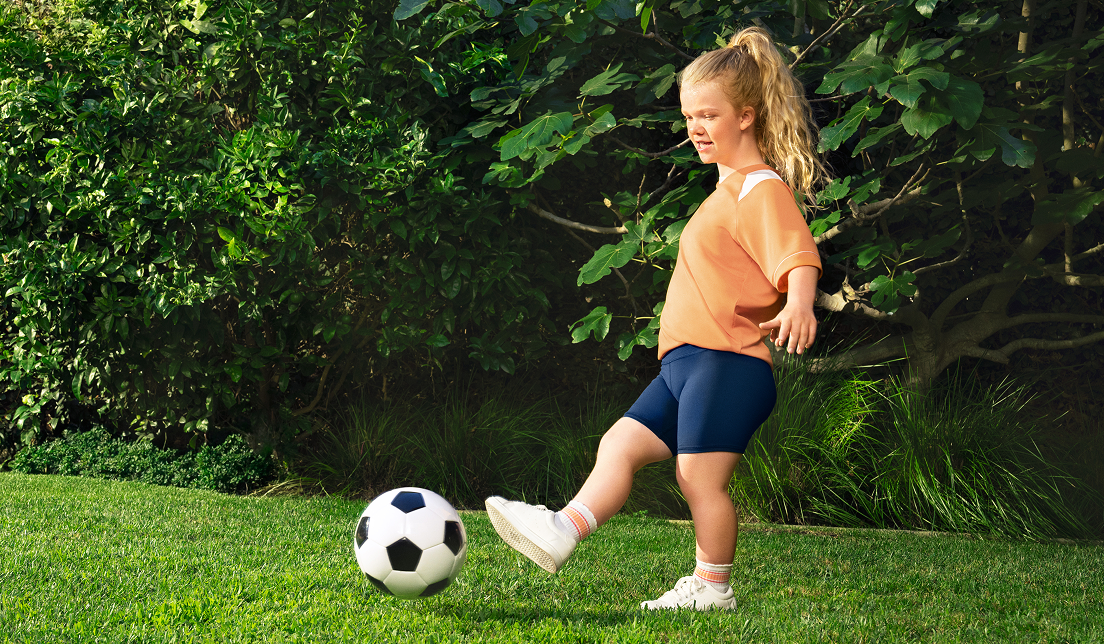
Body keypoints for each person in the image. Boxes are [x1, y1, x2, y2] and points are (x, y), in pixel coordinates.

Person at [485, 25, 828, 612]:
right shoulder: (726, 191)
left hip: (728, 363)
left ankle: (713, 586)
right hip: (687, 363)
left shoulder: (759, 189)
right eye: (689, 115)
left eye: (709, 115)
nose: (695, 128)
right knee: (619, 444)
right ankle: (563, 529)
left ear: (746, 116)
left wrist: (799, 300)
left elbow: (797, 253)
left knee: (698, 479)